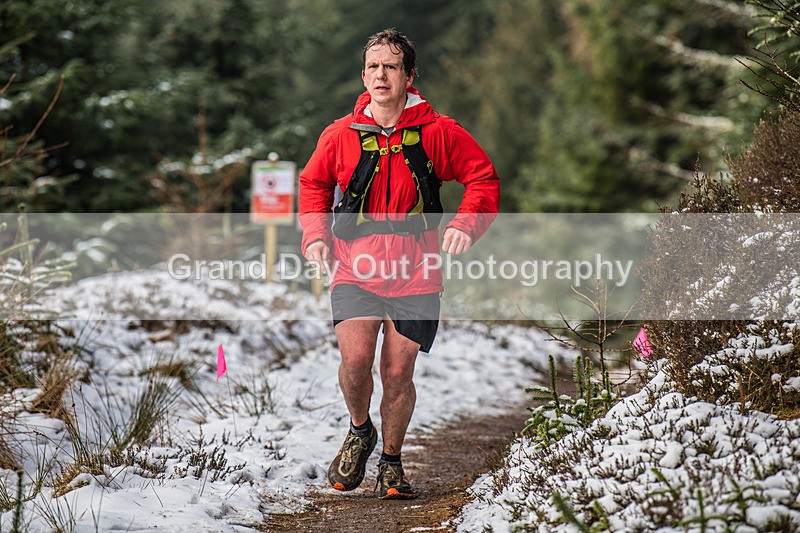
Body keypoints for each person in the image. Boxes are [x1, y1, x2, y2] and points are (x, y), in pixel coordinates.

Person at [298, 28, 499, 499]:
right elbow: (313, 186)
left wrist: (464, 226)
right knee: (355, 362)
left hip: (417, 271)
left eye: (391, 66)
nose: (381, 75)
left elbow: (482, 179)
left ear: (410, 75)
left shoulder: (439, 132)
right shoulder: (340, 135)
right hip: (354, 267)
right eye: (373, 67)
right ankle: (359, 429)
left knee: (396, 374)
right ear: (363, 75)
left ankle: (391, 461)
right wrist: (315, 235)